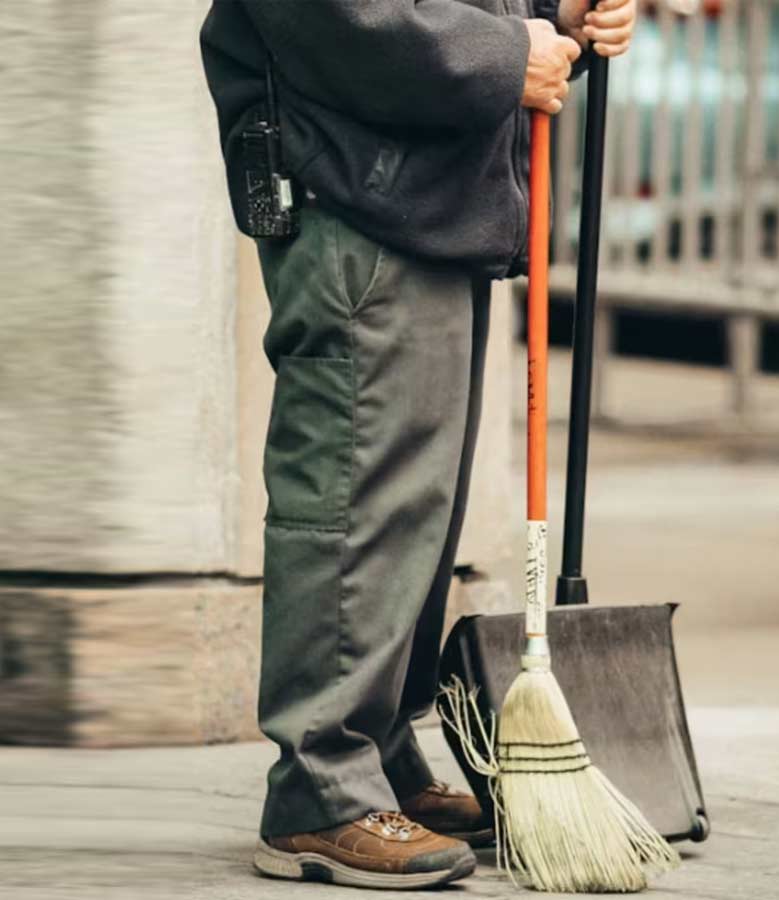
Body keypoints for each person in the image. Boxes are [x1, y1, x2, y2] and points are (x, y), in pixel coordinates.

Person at [200, 0, 636, 890]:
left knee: (411, 509)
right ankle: (321, 791)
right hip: (357, 195)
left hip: (417, 195)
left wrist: (551, 19)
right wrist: (505, 54)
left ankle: (379, 760)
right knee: (360, 491)